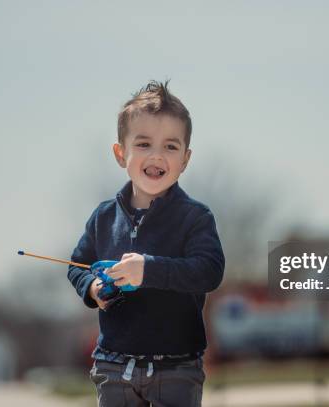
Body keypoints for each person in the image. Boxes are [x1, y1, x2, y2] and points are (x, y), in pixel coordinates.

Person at [67, 80, 225, 407]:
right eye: (143, 144)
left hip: (177, 367)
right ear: (120, 152)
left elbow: (209, 271)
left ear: (185, 158)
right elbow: (77, 265)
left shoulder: (195, 217)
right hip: (113, 365)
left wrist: (148, 270)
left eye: (170, 146)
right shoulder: (103, 218)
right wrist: (93, 287)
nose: (157, 156)